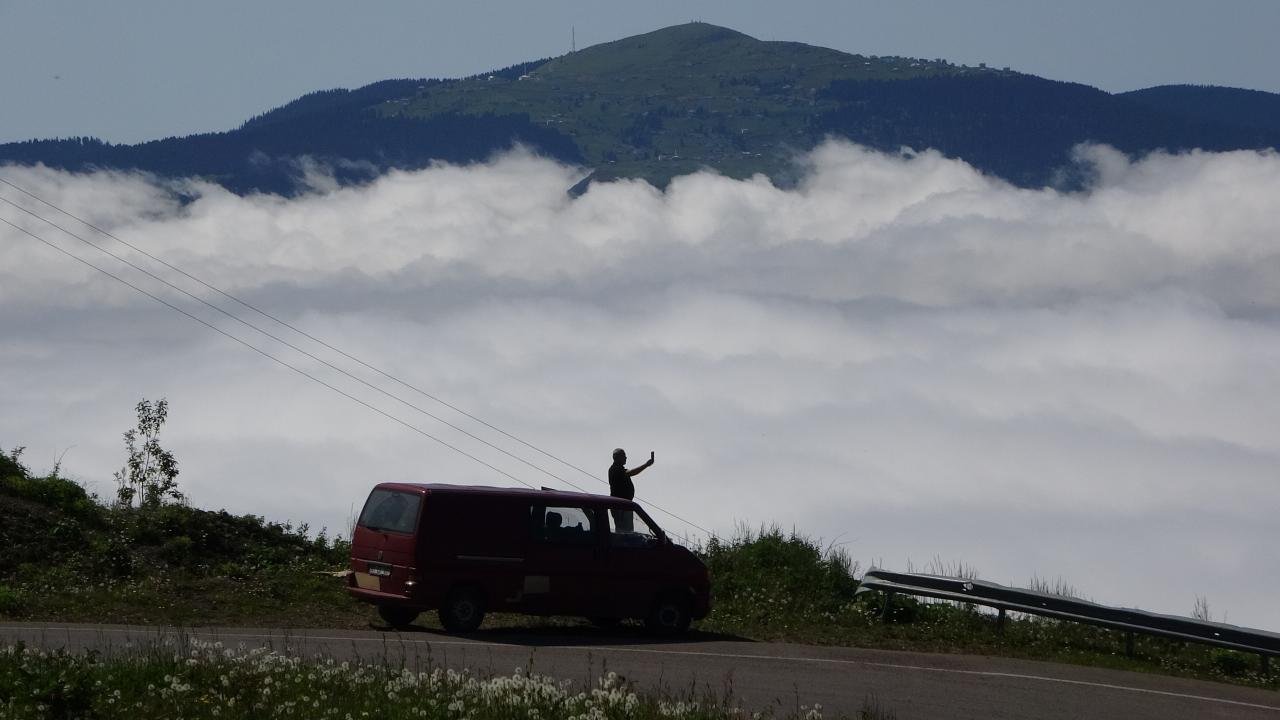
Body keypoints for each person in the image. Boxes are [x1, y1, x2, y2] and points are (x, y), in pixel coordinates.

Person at [608, 447, 653, 532]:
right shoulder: (615, 469)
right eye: (623, 456)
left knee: (626, 532)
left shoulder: (618, 468)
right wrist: (646, 465)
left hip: (623, 506)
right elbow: (631, 472)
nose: (626, 458)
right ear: (617, 457)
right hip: (620, 506)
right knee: (624, 533)